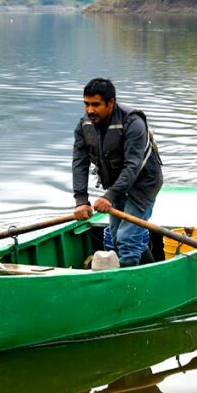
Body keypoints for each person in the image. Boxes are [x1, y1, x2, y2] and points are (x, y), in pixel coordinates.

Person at [72, 77, 162, 267]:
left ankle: (128, 280)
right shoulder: (84, 126)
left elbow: (133, 165)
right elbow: (79, 163)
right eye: (86, 104)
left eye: (96, 105)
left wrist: (109, 196)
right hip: (115, 184)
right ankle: (151, 269)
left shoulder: (133, 123)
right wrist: (81, 200)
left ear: (111, 102)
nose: (90, 110)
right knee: (116, 236)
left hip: (143, 185)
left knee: (126, 238)